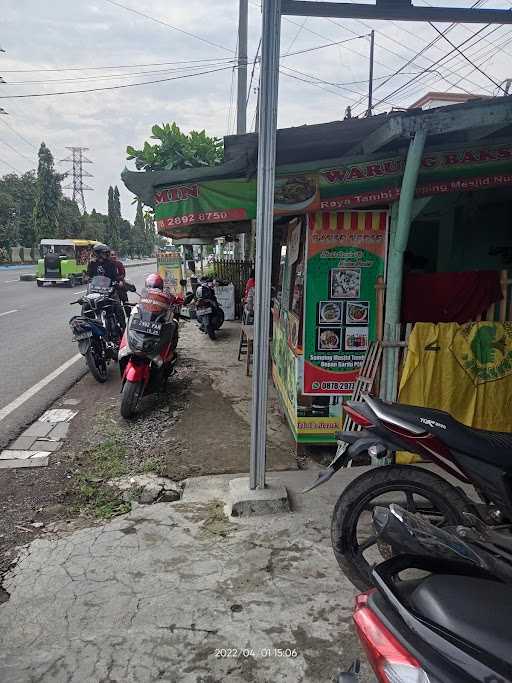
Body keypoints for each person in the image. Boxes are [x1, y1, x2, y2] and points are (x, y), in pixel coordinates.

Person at [86, 243, 125, 329]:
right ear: (98, 254)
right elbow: (89, 275)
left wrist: (118, 282)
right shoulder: (92, 264)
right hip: (95, 290)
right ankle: (87, 327)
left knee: (118, 308)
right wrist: (88, 278)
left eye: (107, 253)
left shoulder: (111, 263)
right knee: (86, 305)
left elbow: (115, 276)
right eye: (104, 253)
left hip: (109, 290)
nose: (106, 255)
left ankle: (124, 329)